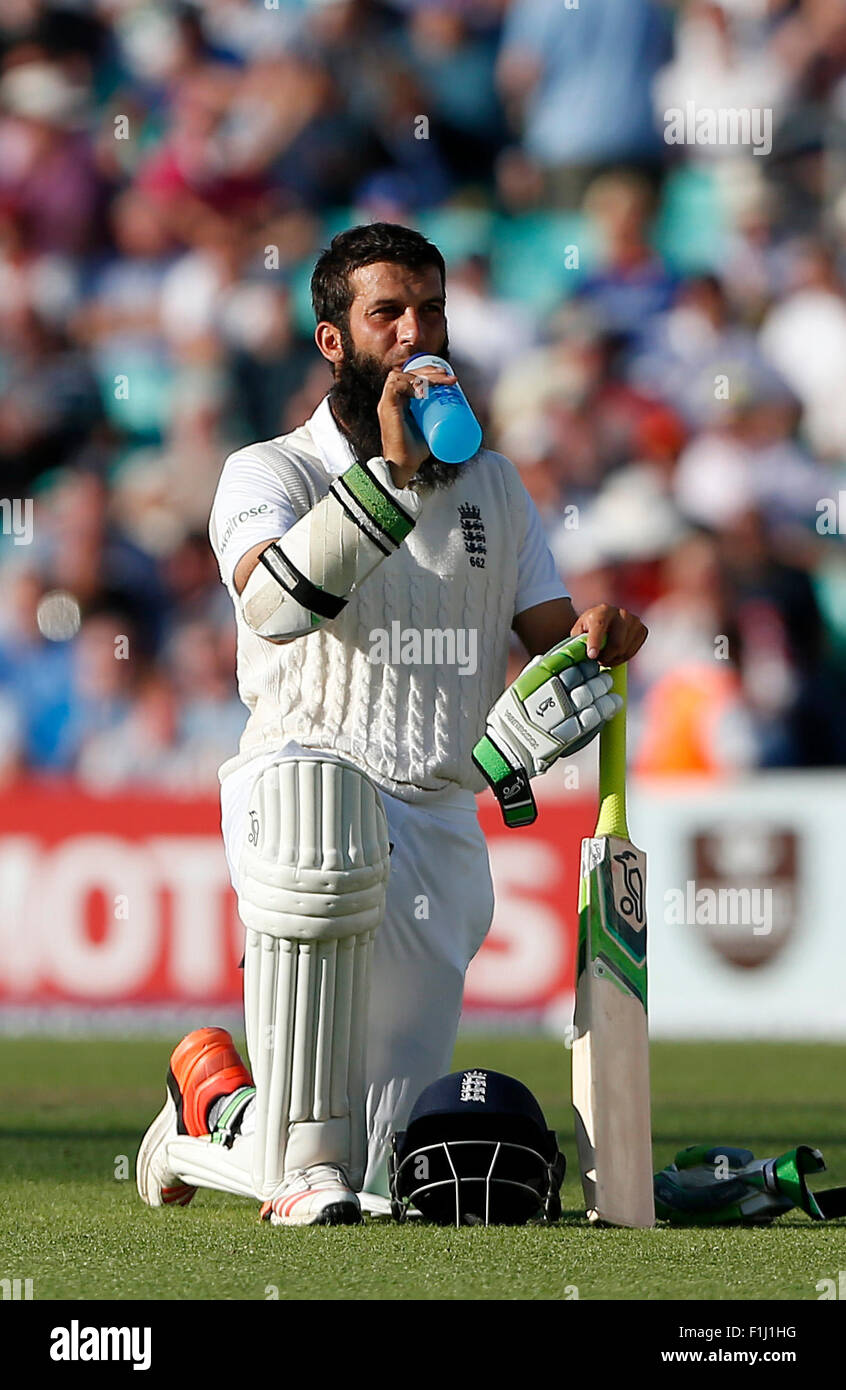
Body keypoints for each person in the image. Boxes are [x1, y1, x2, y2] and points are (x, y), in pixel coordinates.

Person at [136, 222, 647, 1226]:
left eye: (431, 308)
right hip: (305, 791)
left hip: (440, 815)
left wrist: (599, 633)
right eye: (388, 313)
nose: (417, 332)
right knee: (313, 1165)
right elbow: (277, 603)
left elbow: (549, 629)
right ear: (336, 341)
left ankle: (206, 1107)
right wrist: (390, 477)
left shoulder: (495, 486)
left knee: (372, 1169)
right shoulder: (269, 470)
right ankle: (276, 1149)